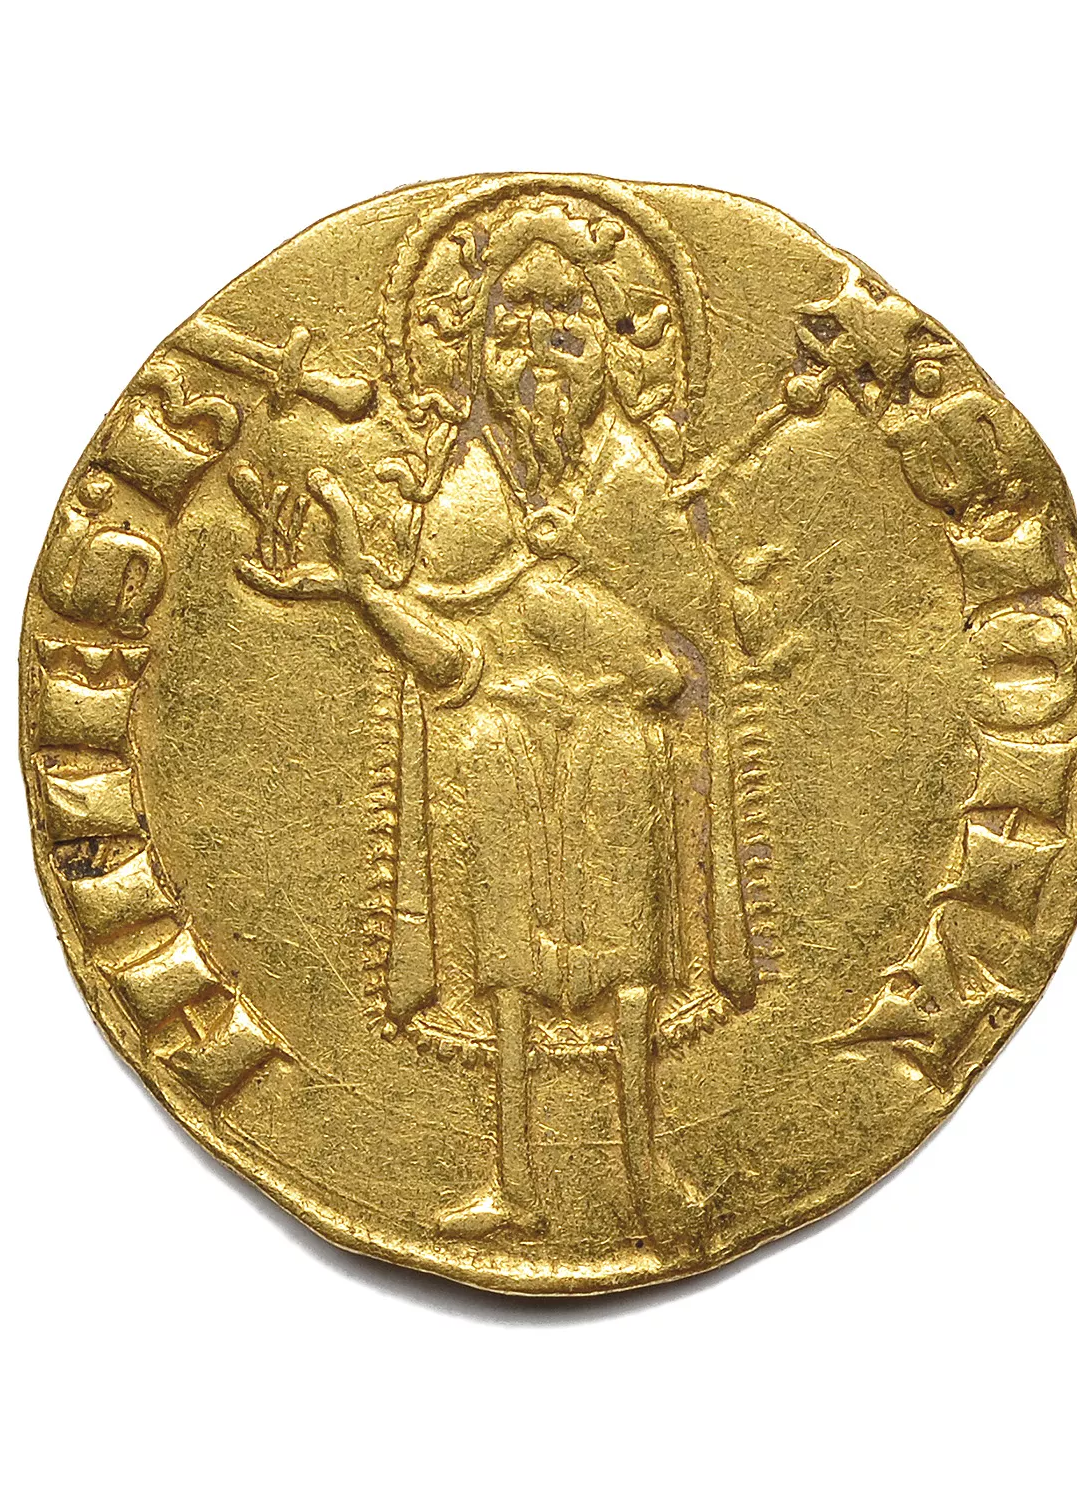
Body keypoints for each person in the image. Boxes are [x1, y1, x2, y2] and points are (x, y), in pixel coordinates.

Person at [240, 200, 755, 1244]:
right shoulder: (468, 485)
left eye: (568, 324)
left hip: (617, 751)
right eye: (513, 323)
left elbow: (698, 633)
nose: (540, 349)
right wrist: (359, 589)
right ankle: (513, 1181)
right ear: (470, 349)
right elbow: (449, 654)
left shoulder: (633, 478)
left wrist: (643, 641)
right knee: (510, 979)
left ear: (615, 344)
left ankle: (650, 1166)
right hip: (498, 755)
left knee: (630, 975)